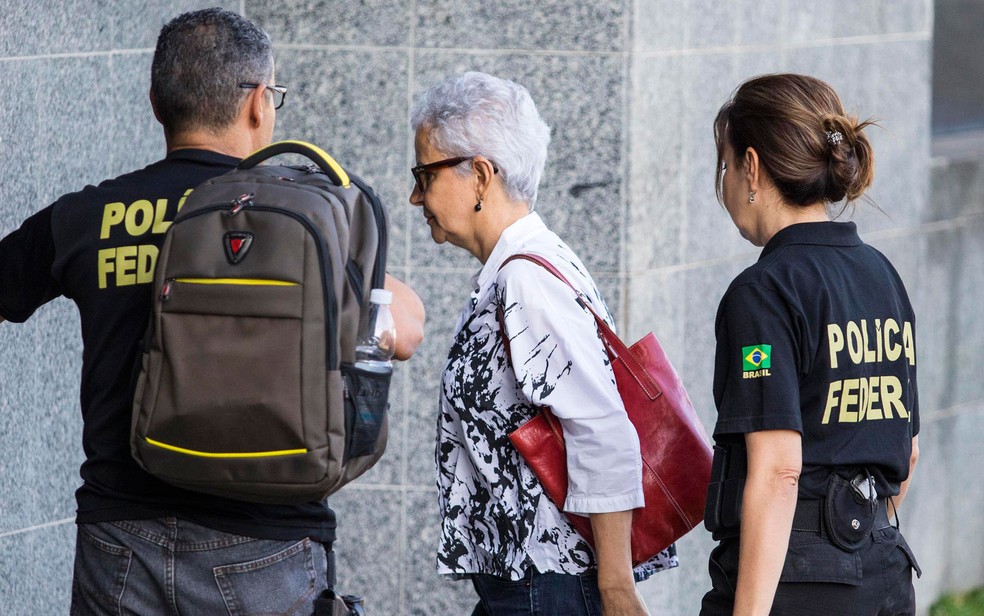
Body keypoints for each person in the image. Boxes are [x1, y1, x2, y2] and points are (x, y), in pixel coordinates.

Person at [0, 8, 424, 615]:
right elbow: (404, 328)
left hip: (119, 536)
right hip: (265, 543)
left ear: (156, 102)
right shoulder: (295, 217)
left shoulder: (89, 216)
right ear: (258, 105)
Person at [409, 71, 676, 616]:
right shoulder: (523, 267)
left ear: (481, 175)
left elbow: (600, 426)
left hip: (549, 589)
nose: (415, 196)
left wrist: (617, 588)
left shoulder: (527, 280)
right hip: (532, 585)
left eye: (424, 175)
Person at [700, 73, 921, 615]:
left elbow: (779, 469)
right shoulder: (882, 275)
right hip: (884, 574)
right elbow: (907, 451)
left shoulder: (763, 291)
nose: (724, 182)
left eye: (724, 165)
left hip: (795, 585)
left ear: (752, 167)